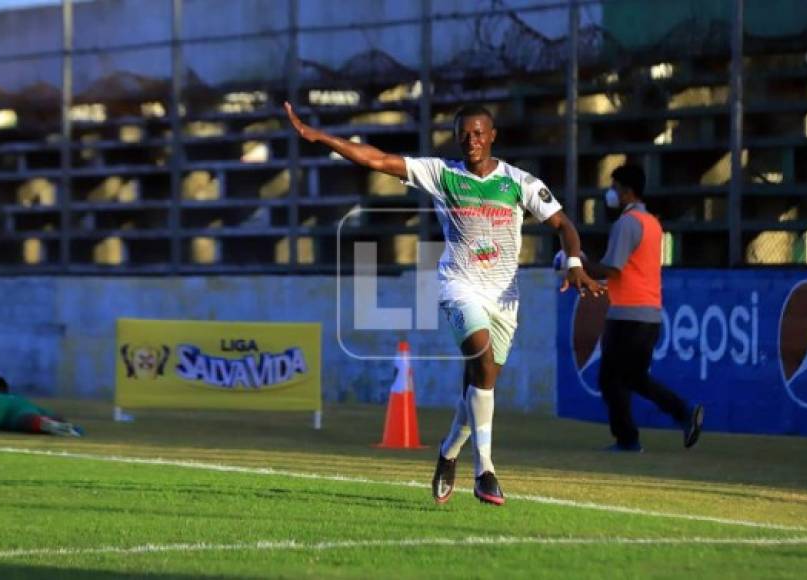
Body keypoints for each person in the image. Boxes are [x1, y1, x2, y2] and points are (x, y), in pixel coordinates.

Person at [285, 101, 603, 505]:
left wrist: (574, 261)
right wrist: (321, 137)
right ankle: (484, 470)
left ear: (492, 136)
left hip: (504, 298)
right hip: (459, 286)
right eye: (463, 134)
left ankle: (448, 452)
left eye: (478, 133)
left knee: (479, 385)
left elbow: (562, 224)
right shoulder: (441, 174)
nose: (471, 141)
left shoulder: (519, 182)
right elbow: (378, 159)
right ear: (456, 137)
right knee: (482, 362)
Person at [579, 164, 703, 452]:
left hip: (626, 313)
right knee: (633, 377)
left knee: (610, 379)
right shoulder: (652, 223)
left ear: (626, 191)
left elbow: (611, 268)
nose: (611, 194)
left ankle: (628, 439)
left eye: (615, 188)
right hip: (649, 314)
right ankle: (683, 413)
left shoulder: (627, 223)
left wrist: (579, 262)